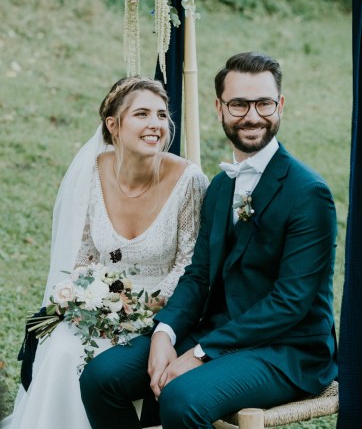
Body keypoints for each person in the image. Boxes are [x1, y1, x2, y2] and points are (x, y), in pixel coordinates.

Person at [80, 52, 338, 429]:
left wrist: (200, 352)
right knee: (102, 377)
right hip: (218, 330)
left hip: (288, 349)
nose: (252, 115)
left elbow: (290, 303)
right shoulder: (219, 188)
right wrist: (165, 333)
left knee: (182, 398)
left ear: (280, 104)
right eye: (238, 104)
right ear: (219, 108)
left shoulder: (309, 193)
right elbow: (199, 274)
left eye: (264, 103)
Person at [2, 76, 208, 429]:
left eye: (161, 115)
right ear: (113, 125)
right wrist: (89, 299)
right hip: (101, 308)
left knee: (98, 362)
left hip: (162, 314)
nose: (155, 124)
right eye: (141, 114)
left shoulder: (188, 179)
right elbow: (84, 253)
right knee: (61, 349)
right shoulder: (94, 172)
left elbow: (189, 263)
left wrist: (140, 307)